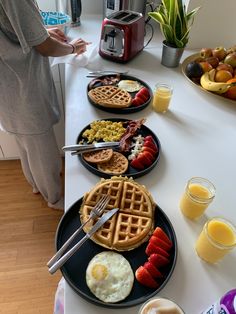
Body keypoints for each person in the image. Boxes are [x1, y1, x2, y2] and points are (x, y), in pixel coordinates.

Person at [0, 0, 90, 210]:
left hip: (7, 89)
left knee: (26, 144)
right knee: (43, 150)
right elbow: (46, 47)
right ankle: (54, 197)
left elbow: (11, 29)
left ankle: (36, 185)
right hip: (23, 89)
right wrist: (71, 47)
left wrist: (42, 31)